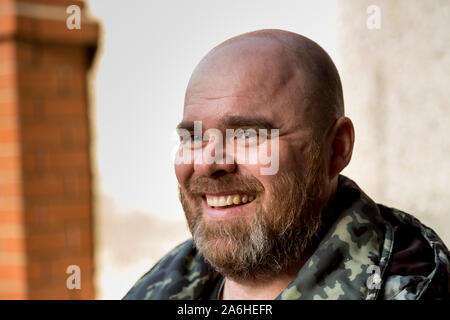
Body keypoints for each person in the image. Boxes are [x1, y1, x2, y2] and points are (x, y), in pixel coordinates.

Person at [123, 29, 450, 300]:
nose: (207, 163)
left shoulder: (412, 289)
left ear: (336, 148)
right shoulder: (162, 284)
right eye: (192, 137)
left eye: (247, 134)